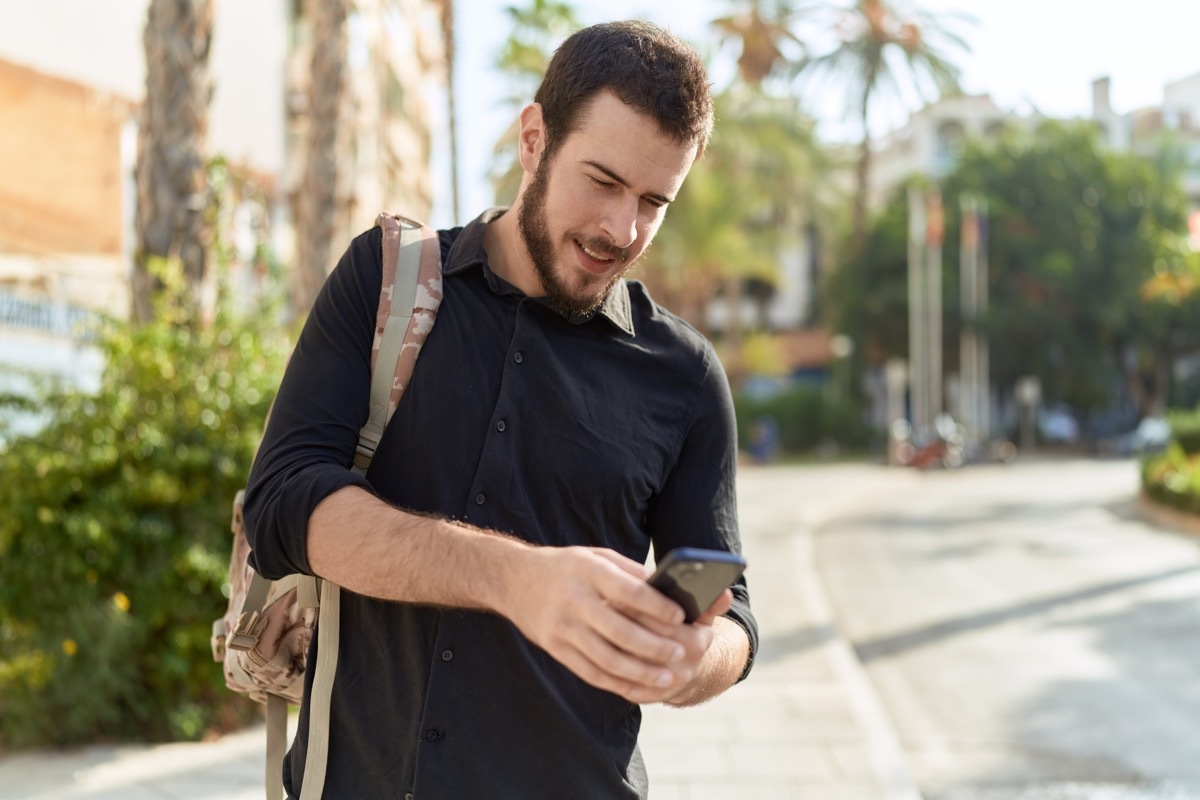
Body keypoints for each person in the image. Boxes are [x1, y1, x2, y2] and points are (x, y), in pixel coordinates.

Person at [244, 19, 757, 799]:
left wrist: (697, 660)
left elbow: (735, 623)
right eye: (604, 181)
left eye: (654, 201)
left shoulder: (684, 375)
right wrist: (515, 579)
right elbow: (280, 507)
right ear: (532, 138)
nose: (622, 229)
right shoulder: (385, 281)